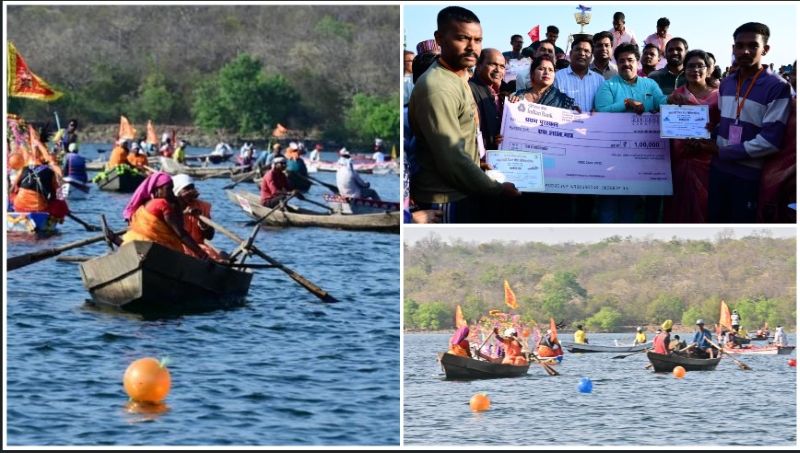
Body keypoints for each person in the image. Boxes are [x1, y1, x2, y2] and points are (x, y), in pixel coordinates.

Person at [408, 6, 520, 223]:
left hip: (463, 188)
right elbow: (452, 158)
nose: (472, 47)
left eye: (478, 40)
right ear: (440, 39)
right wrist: (496, 188)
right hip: (444, 197)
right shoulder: (439, 87)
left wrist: (478, 165)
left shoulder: (459, 78)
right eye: (462, 38)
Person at [710, 22, 792, 223]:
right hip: (718, 170)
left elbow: (770, 142)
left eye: (753, 46)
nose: (745, 51)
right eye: (739, 45)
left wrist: (722, 151)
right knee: (714, 225)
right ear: (733, 48)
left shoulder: (778, 87)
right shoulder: (727, 83)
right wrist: (706, 134)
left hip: (749, 176)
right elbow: (723, 123)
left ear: (765, 49)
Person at [594, 43, 670, 223]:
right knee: (608, 203)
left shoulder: (649, 84)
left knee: (629, 202)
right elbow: (601, 111)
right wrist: (626, 103)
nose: (626, 64)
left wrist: (677, 96)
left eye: (630, 60)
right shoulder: (608, 86)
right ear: (617, 64)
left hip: (640, 155)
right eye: (621, 61)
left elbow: (662, 102)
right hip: (612, 152)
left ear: (638, 62)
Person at [663, 49, 721, 223]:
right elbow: (669, 123)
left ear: (708, 69)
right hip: (680, 157)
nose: (695, 70)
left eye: (699, 66)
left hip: (707, 158)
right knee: (678, 203)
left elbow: (722, 127)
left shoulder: (719, 96)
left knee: (704, 203)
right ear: (684, 69)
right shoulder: (677, 95)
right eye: (690, 66)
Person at [120, 171, 208, 260]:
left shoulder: (144, 204)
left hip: (133, 244)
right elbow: (180, 233)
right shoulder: (162, 204)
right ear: (158, 189)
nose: (171, 193)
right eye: (168, 189)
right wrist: (201, 253)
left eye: (172, 189)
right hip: (152, 247)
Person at [172, 174, 222, 261]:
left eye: (192, 188)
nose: (191, 191)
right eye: (187, 189)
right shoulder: (169, 206)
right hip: (175, 246)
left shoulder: (201, 206)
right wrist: (184, 213)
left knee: (213, 257)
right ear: (177, 191)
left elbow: (210, 236)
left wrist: (203, 224)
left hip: (198, 247)